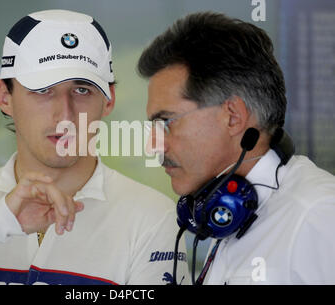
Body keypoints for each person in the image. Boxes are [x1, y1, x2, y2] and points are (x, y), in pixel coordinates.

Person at [0, 9, 188, 285]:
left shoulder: (152, 217)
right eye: (43, 90)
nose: (65, 115)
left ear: (108, 100)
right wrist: (0, 220)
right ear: (5, 97)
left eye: (81, 90)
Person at [137, 12, 335, 284]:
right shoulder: (225, 213)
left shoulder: (319, 215)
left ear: (232, 116)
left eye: (167, 122)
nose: (154, 144)